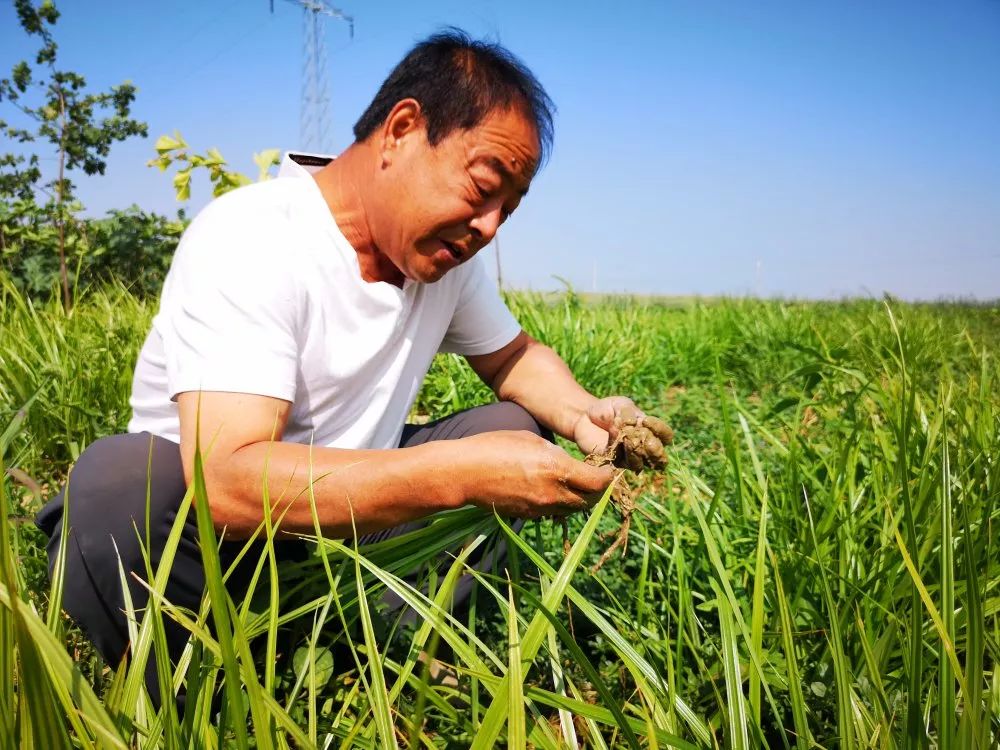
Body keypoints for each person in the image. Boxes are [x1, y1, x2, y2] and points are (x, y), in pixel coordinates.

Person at [36, 29, 641, 693]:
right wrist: (461, 474)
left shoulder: (443, 263)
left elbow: (516, 358)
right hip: (212, 549)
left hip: (354, 530)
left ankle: (370, 656)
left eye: (509, 209)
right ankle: (196, 687)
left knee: (511, 427)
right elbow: (228, 484)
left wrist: (591, 417)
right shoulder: (255, 235)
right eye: (482, 188)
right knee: (118, 485)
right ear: (402, 130)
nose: (489, 228)